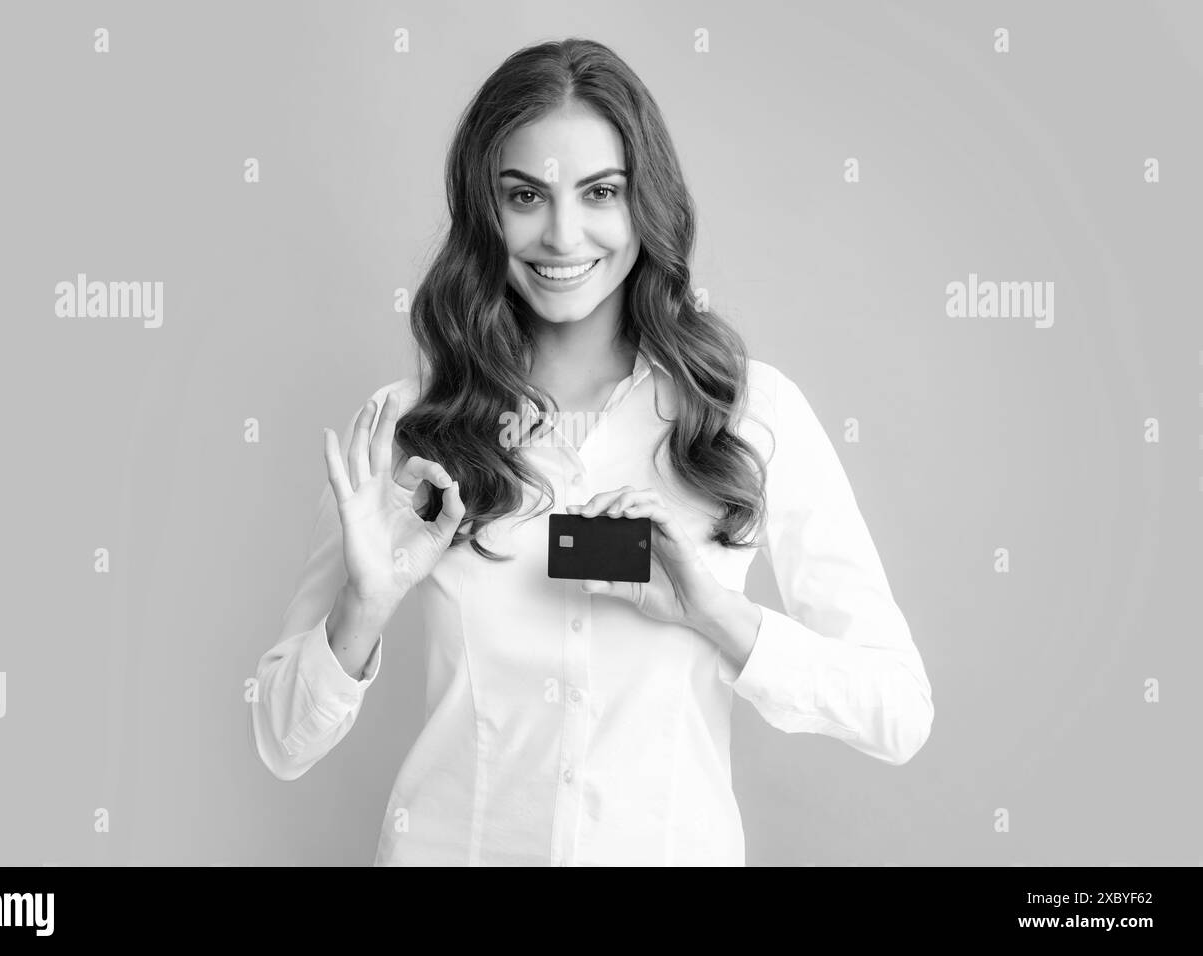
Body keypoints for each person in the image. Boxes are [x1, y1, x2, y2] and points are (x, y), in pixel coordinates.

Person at [250, 37, 933, 866]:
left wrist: (719, 617)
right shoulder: (405, 435)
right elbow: (281, 739)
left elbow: (899, 711)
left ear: (646, 202)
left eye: (600, 191)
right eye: (525, 195)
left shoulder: (751, 415)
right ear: (484, 211)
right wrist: (363, 605)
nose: (562, 235)